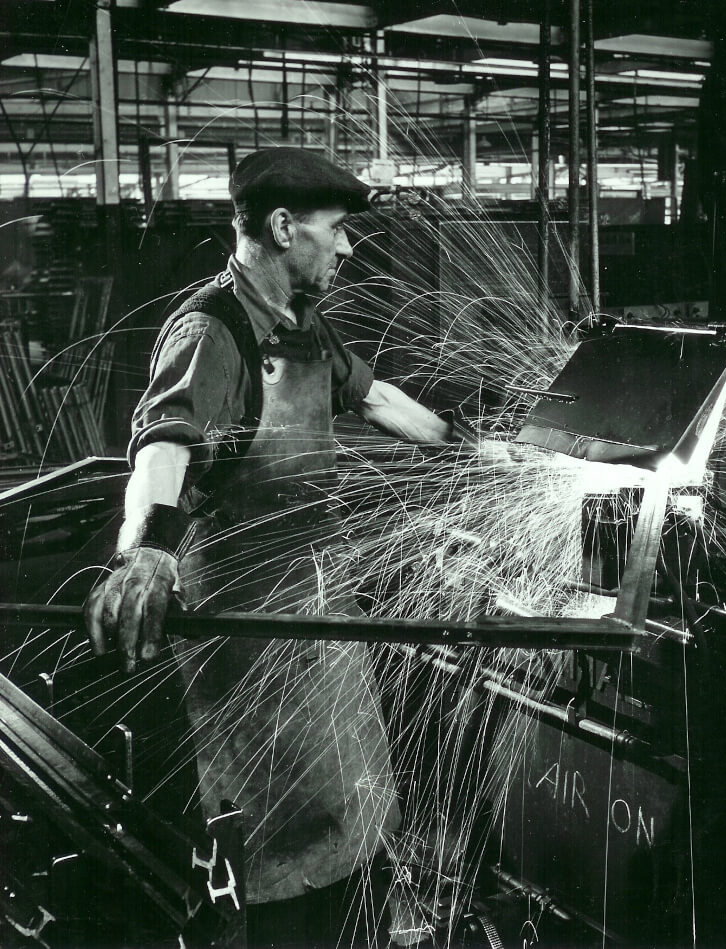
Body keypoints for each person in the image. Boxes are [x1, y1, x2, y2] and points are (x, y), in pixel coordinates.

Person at [84, 147, 471, 947]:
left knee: (351, 811)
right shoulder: (212, 329)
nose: (349, 248)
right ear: (284, 226)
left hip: (316, 613)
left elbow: (373, 395)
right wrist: (147, 550)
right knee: (277, 833)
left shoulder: (302, 325)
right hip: (251, 628)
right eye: (337, 230)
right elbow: (165, 442)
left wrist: (470, 449)